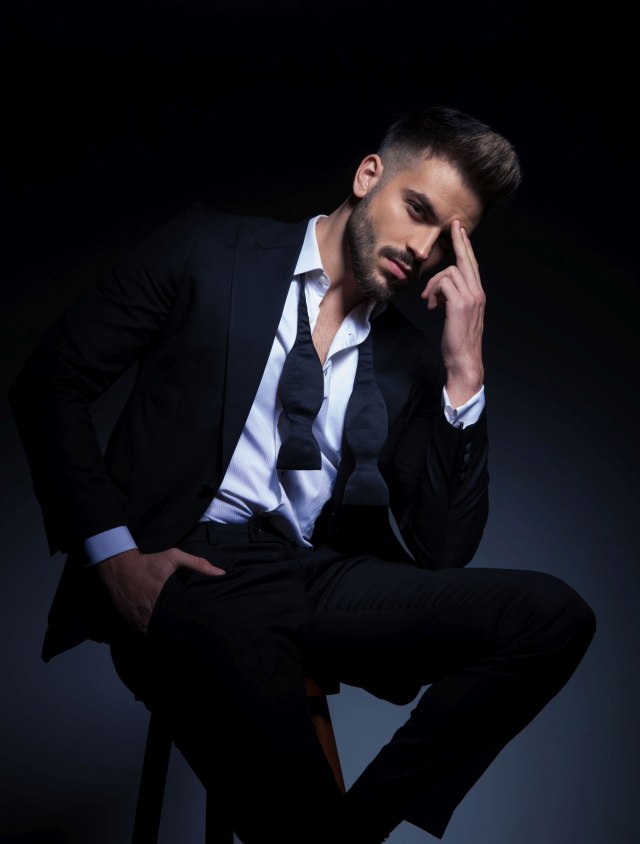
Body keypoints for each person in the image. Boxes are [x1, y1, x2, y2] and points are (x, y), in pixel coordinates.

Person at [9, 106, 596, 843]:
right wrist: (114, 557)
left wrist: (464, 373)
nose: (421, 249)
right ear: (368, 175)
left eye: (448, 240)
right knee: (289, 804)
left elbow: (444, 548)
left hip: (314, 576)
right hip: (190, 568)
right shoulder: (210, 250)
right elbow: (52, 382)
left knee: (551, 618)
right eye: (418, 210)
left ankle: (356, 828)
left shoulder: (411, 359)